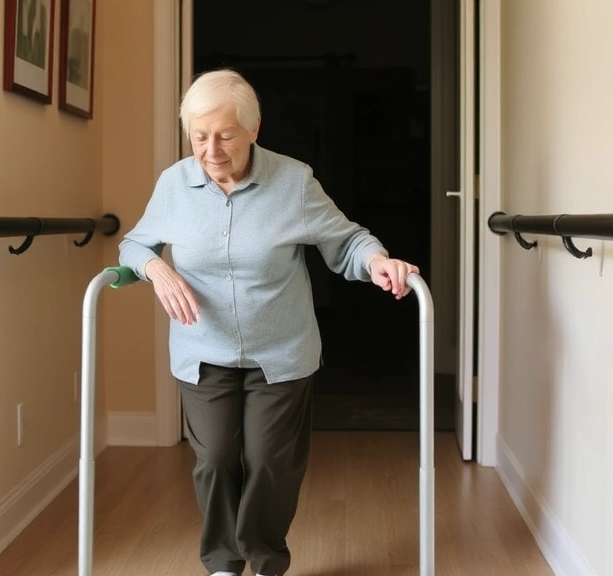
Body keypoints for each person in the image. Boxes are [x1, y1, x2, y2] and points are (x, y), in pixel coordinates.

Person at [118, 69, 419, 576]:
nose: (211, 149)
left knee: (270, 463)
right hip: (203, 351)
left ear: (254, 130)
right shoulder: (174, 184)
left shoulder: (293, 181)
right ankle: (222, 563)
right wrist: (155, 267)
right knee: (214, 459)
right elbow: (135, 241)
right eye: (198, 136)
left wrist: (377, 262)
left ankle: (264, 560)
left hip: (280, 352)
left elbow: (345, 240)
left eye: (225, 135)